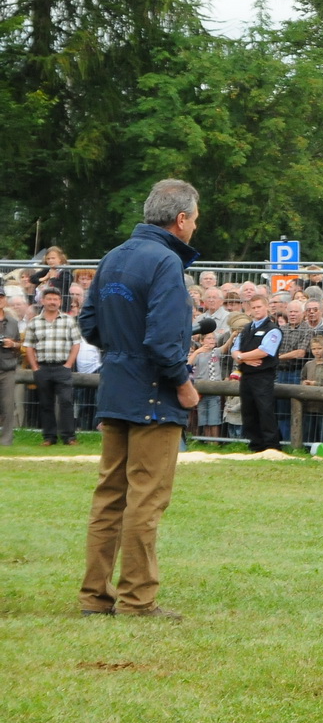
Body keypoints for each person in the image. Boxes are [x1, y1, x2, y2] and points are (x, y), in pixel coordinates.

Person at [77, 178, 203, 619]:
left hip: (115, 389)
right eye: (195, 219)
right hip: (154, 395)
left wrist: (121, 352)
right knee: (146, 499)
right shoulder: (166, 261)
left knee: (109, 496)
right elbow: (164, 340)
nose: (195, 226)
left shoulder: (113, 257)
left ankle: (95, 596)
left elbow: (89, 324)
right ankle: (137, 599)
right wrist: (183, 385)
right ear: (181, 219)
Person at [24, 287, 82, 445]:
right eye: (49, 299)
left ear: (60, 302)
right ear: (43, 301)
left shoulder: (68, 320)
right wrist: (35, 368)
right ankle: (49, 437)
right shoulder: (34, 322)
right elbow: (29, 346)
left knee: (66, 402)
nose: (52, 302)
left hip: (62, 367)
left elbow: (76, 344)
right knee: (45, 403)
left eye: (55, 299)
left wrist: (68, 364)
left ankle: (69, 437)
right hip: (43, 368)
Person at [230, 294, 283, 452]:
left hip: (263, 376)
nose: (256, 310)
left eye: (259, 306)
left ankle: (271, 445)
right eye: (253, 308)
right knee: (249, 410)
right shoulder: (246, 328)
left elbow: (265, 351)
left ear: (266, 307)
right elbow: (234, 349)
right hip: (246, 375)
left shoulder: (273, 330)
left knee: (264, 409)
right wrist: (244, 359)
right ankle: (255, 444)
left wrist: (241, 357)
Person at [0, 300, 20, 444]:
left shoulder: (13, 322)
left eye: (1, 297)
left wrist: (12, 344)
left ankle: (6, 440)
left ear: (5, 300)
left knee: (8, 406)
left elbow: (20, 345)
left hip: (7, 368)